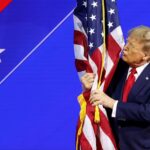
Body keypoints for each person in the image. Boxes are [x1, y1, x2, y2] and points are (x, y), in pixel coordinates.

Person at [81, 26, 150, 150]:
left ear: (146, 55)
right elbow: (101, 97)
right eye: (127, 41)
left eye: (132, 46)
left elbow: (147, 112)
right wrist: (89, 88)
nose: (125, 47)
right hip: (110, 143)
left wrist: (113, 104)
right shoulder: (114, 67)